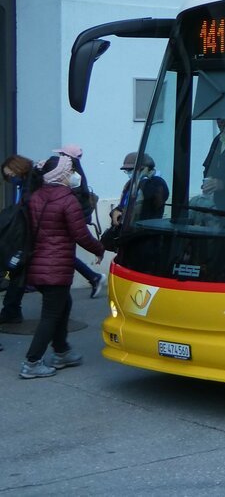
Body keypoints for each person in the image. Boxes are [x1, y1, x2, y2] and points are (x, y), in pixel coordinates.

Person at [19, 154, 107, 379]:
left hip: (38, 265)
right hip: (56, 267)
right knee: (51, 314)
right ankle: (32, 361)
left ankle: (62, 351)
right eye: (70, 171)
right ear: (62, 175)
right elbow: (80, 234)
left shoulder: (37, 196)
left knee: (62, 305)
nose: (74, 175)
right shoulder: (67, 200)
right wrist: (99, 249)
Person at [49, 146, 106, 299]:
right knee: (66, 255)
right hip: (72, 218)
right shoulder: (73, 174)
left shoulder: (73, 177)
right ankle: (94, 277)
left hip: (72, 219)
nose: (59, 156)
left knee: (66, 255)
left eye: (62, 154)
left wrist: (97, 249)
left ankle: (94, 277)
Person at [1, 155, 34, 335]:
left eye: (10, 173)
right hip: (26, 234)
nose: (10, 178)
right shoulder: (25, 183)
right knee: (19, 274)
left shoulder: (31, 183)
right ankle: (11, 310)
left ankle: (11, 310)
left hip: (30, 235)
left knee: (25, 274)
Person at [117, 152, 169, 220]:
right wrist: (115, 211)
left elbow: (154, 201)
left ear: (146, 169)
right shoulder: (130, 184)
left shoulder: (158, 182)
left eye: (132, 170)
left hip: (146, 226)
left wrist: (144, 178)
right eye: (127, 171)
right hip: (127, 226)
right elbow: (123, 204)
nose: (129, 174)